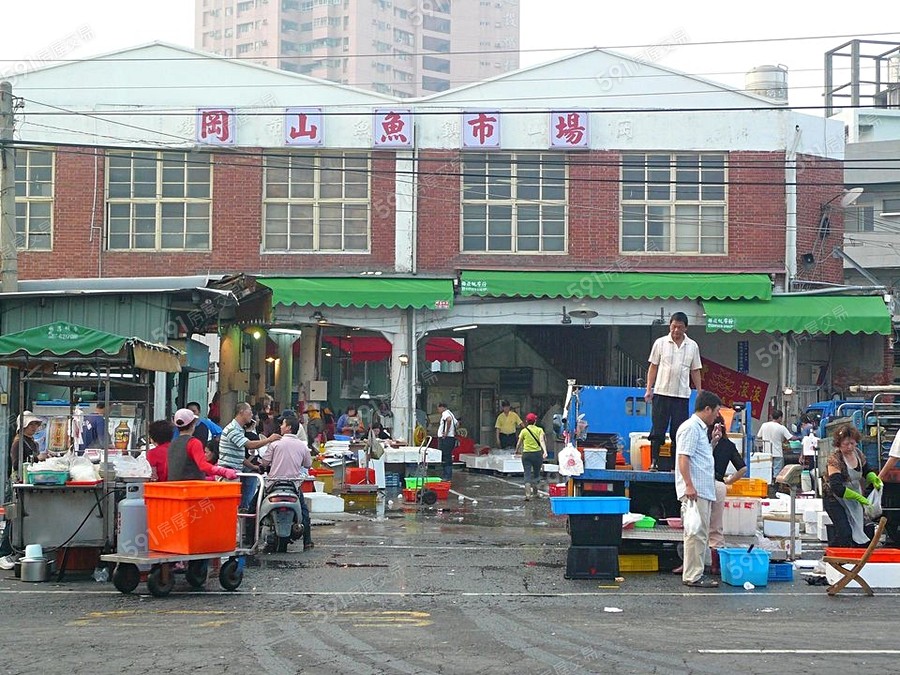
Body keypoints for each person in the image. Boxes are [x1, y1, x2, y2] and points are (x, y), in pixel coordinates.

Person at [675, 390, 722, 589]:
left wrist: (713, 442)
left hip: (701, 490)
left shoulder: (700, 429)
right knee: (696, 533)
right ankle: (693, 575)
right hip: (696, 491)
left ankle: (695, 573)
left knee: (699, 533)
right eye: (716, 411)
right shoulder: (691, 428)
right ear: (707, 409)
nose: (717, 416)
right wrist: (689, 485)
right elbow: (683, 457)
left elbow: (698, 457)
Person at [644, 312, 702, 472]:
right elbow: (653, 366)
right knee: (658, 428)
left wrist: (699, 391)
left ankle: (675, 464)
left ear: (686, 328)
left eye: (680, 327)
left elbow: (695, 370)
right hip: (661, 393)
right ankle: (654, 461)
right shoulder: (660, 343)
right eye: (674, 326)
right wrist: (649, 389)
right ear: (670, 325)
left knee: (679, 431)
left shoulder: (692, 346)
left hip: (681, 395)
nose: (676, 330)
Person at [258, 415, 314, 551]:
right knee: (304, 512)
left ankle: (248, 539)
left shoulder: (275, 444)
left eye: (283, 424)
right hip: (293, 485)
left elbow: (264, 462)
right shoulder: (302, 446)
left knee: (254, 507)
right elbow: (308, 464)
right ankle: (307, 541)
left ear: (288, 428)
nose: (281, 427)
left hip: (273, 484)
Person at [823, 424, 881, 548]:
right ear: (839, 444)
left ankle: (850, 555)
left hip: (853, 497)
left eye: (852, 443)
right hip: (835, 499)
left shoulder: (858, 454)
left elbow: (866, 470)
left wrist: (873, 478)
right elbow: (837, 487)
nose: (850, 447)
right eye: (846, 444)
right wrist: (859, 498)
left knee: (857, 531)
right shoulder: (834, 459)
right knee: (844, 531)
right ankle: (832, 554)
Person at [0, 412, 46, 569]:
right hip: (16, 484)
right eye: (31, 425)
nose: (34, 427)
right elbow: (16, 464)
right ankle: (3, 553)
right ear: (23, 426)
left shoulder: (32, 442)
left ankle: (17, 551)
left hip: (26, 483)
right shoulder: (18, 443)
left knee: (23, 518)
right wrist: (37, 459)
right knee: (13, 519)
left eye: (35, 424)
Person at [218, 402, 281, 511]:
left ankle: (244, 513)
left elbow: (239, 456)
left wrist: (253, 467)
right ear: (241, 412)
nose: (252, 415)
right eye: (250, 411)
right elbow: (249, 445)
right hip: (228, 473)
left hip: (236, 471)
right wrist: (269, 439)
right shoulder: (232, 429)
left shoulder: (240, 429)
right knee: (229, 507)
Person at [708, 414, 747, 551]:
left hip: (702, 483)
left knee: (700, 520)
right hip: (719, 485)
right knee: (716, 523)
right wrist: (729, 481)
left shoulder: (703, 441)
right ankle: (716, 554)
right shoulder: (729, 445)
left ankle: (700, 550)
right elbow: (743, 468)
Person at [167, 408, 237, 482]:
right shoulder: (194, 443)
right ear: (193, 424)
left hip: (174, 486)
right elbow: (203, 465)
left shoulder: (172, 443)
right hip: (192, 486)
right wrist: (223, 471)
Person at [757, 409, 797, 478]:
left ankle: (769, 483)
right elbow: (790, 438)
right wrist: (800, 437)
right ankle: (775, 483)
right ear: (780, 417)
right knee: (777, 472)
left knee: (767, 471)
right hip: (777, 453)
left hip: (766, 453)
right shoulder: (781, 427)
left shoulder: (764, 425)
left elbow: (759, 436)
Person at [516, 412, 547, 500]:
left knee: (527, 473)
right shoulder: (539, 430)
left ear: (526, 421)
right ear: (535, 421)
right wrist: (545, 451)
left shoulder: (524, 431)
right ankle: (535, 493)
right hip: (537, 454)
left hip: (526, 454)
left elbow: (519, 443)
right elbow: (542, 441)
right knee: (536, 474)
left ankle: (528, 495)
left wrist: (516, 450)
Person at [436, 402, 458, 482]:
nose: (438, 410)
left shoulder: (445, 413)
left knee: (445, 457)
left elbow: (449, 420)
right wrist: (452, 431)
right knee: (448, 456)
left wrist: (446, 432)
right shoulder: (451, 413)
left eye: (438, 408)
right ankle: (447, 475)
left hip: (446, 439)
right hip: (451, 438)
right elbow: (457, 423)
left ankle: (447, 476)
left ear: (442, 407)